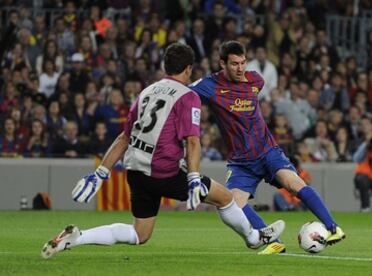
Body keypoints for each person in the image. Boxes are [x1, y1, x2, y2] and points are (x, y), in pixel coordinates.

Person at [41, 43, 284, 259]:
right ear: (188, 69)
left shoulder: (147, 91)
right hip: (163, 171)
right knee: (225, 198)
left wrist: (101, 173)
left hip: (135, 169)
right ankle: (254, 238)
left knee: (140, 233)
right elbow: (192, 142)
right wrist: (193, 177)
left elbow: (124, 136)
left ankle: (77, 237)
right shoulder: (188, 96)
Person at [190, 41, 345, 254]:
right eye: (234, 64)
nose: (240, 68)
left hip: (267, 151)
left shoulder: (255, 79)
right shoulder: (209, 85)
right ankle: (272, 240)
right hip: (241, 162)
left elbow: (254, 89)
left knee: (294, 183)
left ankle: (333, 227)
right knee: (233, 203)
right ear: (222, 64)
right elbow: (184, 94)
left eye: (243, 62)